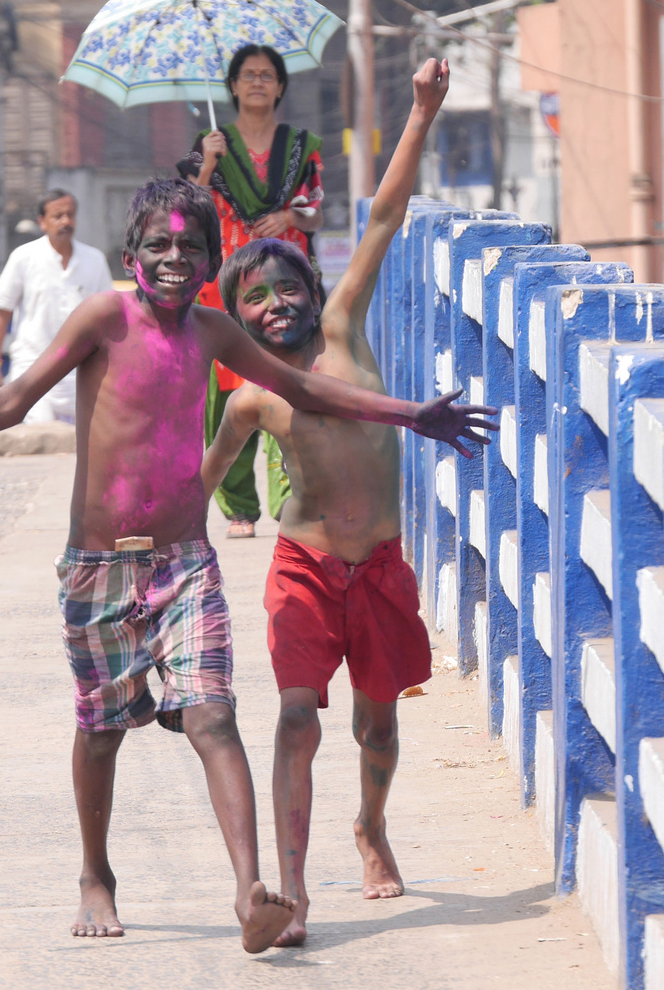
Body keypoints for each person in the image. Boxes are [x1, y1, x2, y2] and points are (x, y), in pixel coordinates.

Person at [0, 176, 492, 952]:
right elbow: (12, 401)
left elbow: (308, 385)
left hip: (185, 563)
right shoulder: (104, 318)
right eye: (158, 244)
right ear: (129, 255)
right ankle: (95, 872)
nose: (173, 258)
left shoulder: (215, 333)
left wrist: (414, 415)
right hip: (97, 565)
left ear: (210, 260)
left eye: (189, 247)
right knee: (103, 730)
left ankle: (251, 892)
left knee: (213, 716)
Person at [202, 60, 481, 947]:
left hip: (382, 568)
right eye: (254, 297)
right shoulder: (251, 396)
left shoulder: (343, 327)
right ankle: (290, 892)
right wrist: (143, 536)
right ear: (236, 319)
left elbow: (389, 213)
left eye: (286, 288)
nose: (275, 302)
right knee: (293, 716)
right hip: (305, 571)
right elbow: (202, 483)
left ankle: (370, 825)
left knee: (377, 727)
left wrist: (421, 111)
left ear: (313, 294)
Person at [179, 44, 324, 538]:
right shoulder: (210, 142)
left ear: (281, 86)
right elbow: (189, 206)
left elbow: (317, 209)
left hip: (285, 279)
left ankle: (289, 493)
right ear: (233, 87)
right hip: (227, 284)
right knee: (228, 391)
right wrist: (207, 163)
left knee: (287, 379)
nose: (257, 82)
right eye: (248, 75)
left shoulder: (302, 145)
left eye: (267, 75)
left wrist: (288, 216)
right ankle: (239, 506)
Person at [0, 189, 113, 423]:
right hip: (32, 369)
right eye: (58, 216)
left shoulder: (94, 260)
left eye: (70, 215)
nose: (66, 221)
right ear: (42, 222)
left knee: (79, 446)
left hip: (80, 372)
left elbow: (109, 316)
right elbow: (3, 313)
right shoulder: (24, 257)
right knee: (40, 439)